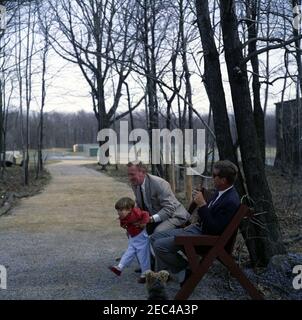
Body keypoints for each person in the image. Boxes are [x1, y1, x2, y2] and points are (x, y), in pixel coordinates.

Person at [150, 160, 241, 284]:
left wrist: (202, 205)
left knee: (159, 245)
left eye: (214, 176)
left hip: (205, 238)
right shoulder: (221, 192)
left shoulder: (231, 201)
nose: (212, 178)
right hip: (198, 230)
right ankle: (167, 273)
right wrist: (201, 203)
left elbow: (214, 229)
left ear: (223, 180)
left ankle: (187, 269)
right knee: (154, 237)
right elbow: (209, 214)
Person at [127, 161, 190, 235]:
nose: (130, 178)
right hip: (155, 218)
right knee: (132, 229)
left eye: (132, 174)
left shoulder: (159, 183)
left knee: (157, 233)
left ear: (143, 172)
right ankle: (141, 247)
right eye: (128, 175)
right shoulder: (135, 184)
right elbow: (139, 204)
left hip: (174, 216)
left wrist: (150, 219)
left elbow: (170, 209)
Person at [108, 197, 151, 284]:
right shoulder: (124, 216)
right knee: (129, 253)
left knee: (143, 256)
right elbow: (122, 221)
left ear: (129, 209)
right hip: (133, 237)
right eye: (118, 211)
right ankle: (119, 267)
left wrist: (143, 223)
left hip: (141, 236)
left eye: (121, 210)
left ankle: (146, 274)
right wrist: (123, 226)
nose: (119, 213)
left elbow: (145, 214)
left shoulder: (136, 213)